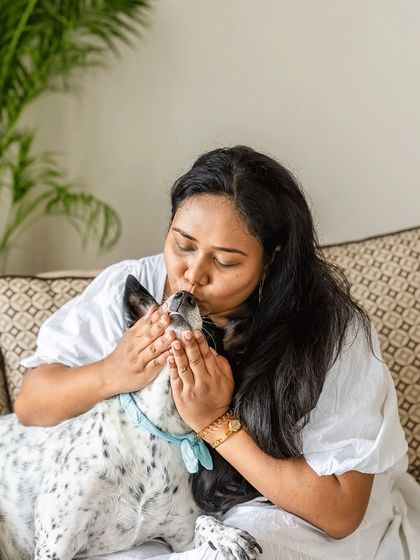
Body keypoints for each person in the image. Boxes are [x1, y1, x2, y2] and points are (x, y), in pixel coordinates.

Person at [16, 146, 420, 559]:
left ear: (271, 261)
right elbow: (31, 404)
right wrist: (112, 371)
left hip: (292, 514)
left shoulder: (331, 331)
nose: (192, 274)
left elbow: (339, 512)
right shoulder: (136, 285)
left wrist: (214, 422)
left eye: (225, 262)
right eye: (183, 245)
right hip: (163, 515)